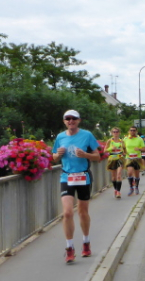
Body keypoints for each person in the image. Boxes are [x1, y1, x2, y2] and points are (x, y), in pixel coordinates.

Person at [52, 109, 101, 263]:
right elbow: (54, 158)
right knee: (67, 213)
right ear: (64, 121)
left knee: (82, 212)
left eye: (74, 118)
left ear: (79, 120)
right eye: (68, 119)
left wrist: (86, 155)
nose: (71, 121)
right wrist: (58, 154)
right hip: (66, 177)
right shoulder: (60, 137)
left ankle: (86, 242)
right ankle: (69, 248)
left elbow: (98, 156)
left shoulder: (87, 135)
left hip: (83, 176)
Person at [123, 126, 145, 196]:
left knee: (137, 174)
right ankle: (131, 188)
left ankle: (136, 187)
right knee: (130, 172)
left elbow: (144, 149)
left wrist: (139, 149)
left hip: (137, 158)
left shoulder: (139, 139)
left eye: (134, 130)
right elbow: (123, 147)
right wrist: (124, 152)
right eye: (131, 130)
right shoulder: (125, 139)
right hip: (129, 158)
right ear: (129, 131)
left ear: (136, 131)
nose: (132, 132)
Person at [105, 127, 126, 199]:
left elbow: (125, 150)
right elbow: (105, 150)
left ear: (119, 133)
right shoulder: (109, 141)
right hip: (112, 159)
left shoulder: (121, 141)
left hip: (120, 158)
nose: (115, 133)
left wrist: (124, 153)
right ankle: (116, 189)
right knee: (113, 177)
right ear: (112, 133)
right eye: (114, 132)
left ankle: (118, 192)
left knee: (119, 175)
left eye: (117, 132)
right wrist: (111, 148)